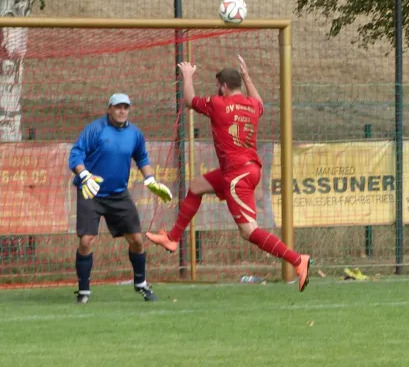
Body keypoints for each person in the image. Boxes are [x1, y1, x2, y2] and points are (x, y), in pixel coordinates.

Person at [146, 56, 311, 291]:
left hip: (237, 175)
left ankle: (297, 260)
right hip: (245, 169)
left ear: (223, 87)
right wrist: (248, 77)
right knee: (196, 186)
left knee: (248, 231)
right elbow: (260, 102)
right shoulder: (252, 105)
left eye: (218, 87)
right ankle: (173, 238)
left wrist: (188, 75)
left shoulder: (218, 104)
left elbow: (190, 100)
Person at [69, 93, 172, 303]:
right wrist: (84, 175)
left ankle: (141, 284)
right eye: (118, 107)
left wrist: (150, 179)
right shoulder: (95, 129)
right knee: (87, 240)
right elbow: (76, 155)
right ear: (109, 109)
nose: (122, 111)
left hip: (118, 194)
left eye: (125, 107)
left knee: (136, 239)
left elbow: (142, 157)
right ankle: (84, 292)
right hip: (91, 192)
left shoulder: (134, 133)